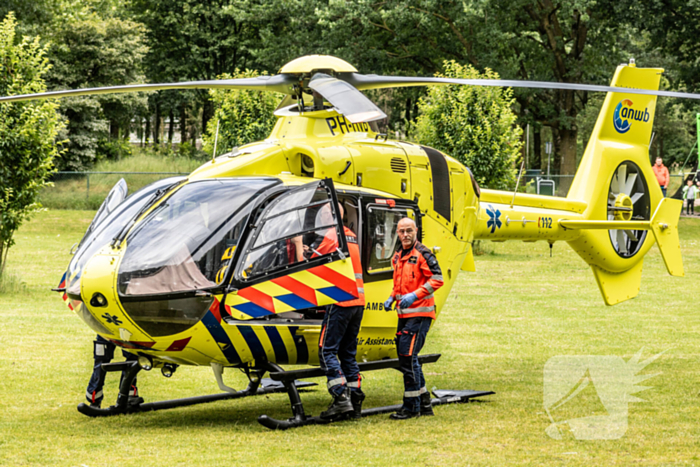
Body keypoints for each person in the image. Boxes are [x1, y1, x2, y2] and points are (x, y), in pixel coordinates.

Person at [384, 217, 443, 420]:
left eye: (409, 230)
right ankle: (424, 402)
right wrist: (392, 297)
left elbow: (437, 278)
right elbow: (400, 284)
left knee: (408, 358)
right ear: (397, 233)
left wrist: (414, 295)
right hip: (404, 315)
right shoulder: (398, 255)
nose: (405, 234)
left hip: (420, 314)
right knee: (409, 359)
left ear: (416, 231)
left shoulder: (423, 253)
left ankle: (411, 407)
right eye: (402, 231)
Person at [313, 203, 366, 420]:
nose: (323, 218)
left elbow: (312, 263)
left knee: (326, 351)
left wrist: (299, 247)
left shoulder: (332, 235)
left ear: (332, 215)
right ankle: (355, 398)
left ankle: (340, 397)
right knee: (347, 353)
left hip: (341, 302)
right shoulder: (349, 235)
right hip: (358, 302)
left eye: (325, 214)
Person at [85, 335, 143, 408]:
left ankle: (129, 395)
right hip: (106, 328)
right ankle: (94, 400)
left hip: (129, 329)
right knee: (101, 362)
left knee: (133, 359)